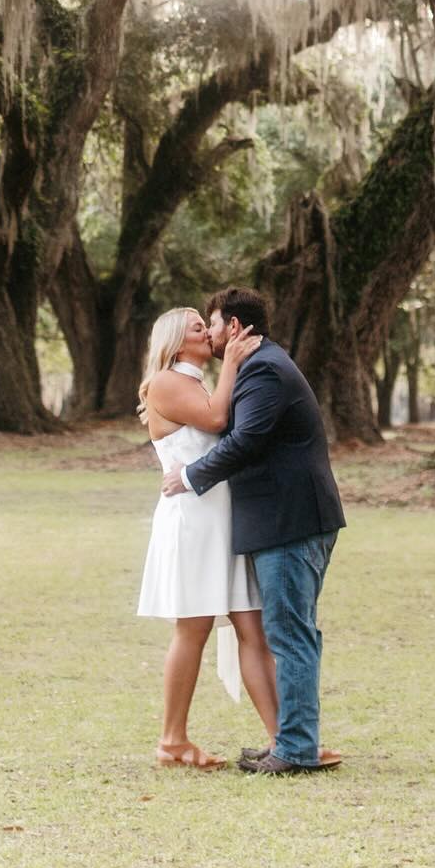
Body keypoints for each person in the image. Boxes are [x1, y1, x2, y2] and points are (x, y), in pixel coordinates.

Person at [162, 286, 345, 775]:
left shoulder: (263, 367)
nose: (211, 330)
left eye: (214, 323)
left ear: (236, 327)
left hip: (288, 520)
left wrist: (189, 476)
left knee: (289, 634)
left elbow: (244, 439)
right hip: (278, 519)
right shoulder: (254, 366)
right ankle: (290, 741)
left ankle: (296, 749)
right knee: (285, 631)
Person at [137, 307, 279, 769]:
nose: (212, 332)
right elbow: (218, 421)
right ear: (178, 342)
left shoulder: (197, 382)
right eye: (199, 327)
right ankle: (172, 740)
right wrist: (234, 362)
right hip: (193, 522)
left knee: (251, 626)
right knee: (193, 628)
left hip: (225, 520)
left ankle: (287, 738)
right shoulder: (166, 382)